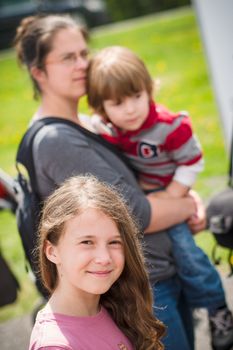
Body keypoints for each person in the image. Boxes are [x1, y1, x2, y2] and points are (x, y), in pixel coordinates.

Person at [14, 14, 232, 350]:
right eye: (68, 58)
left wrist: (184, 198)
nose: (83, 65)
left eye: (84, 53)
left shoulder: (87, 123)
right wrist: (187, 204)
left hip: (158, 276)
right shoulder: (58, 139)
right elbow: (137, 214)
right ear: (38, 72)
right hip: (144, 287)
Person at [86, 44, 233, 347]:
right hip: (147, 197)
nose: (130, 109)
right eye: (118, 103)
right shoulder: (112, 128)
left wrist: (175, 194)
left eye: (137, 96)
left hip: (169, 192)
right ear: (102, 107)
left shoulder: (169, 126)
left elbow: (193, 161)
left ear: (149, 89)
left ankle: (217, 308)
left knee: (187, 255)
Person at [29, 175, 165, 349]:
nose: (104, 258)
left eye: (114, 242)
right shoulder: (55, 345)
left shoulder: (116, 307)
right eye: (87, 242)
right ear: (52, 251)